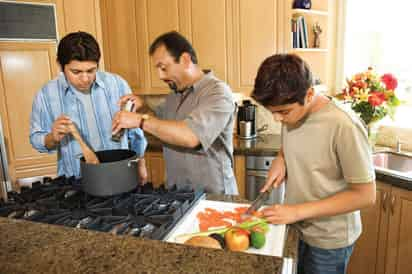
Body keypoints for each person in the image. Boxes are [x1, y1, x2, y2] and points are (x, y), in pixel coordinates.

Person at [251, 54, 376, 274]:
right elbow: (295, 140)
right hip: (295, 228)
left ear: (309, 94)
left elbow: (365, 195)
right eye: (272, 113)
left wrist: (297, 211)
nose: (277, 120)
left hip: (328, 241)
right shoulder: (292, 112)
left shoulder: (344, 125)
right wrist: (282, 159)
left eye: (283, 112)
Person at [111, 31, 238, 194]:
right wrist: (143, 109)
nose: (160, 76)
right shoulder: (174, 96)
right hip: (178, 195)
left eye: (163, 68)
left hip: (214, 197)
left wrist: (140, 121)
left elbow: (191, 136)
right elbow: (162, 126)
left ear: (185, 60)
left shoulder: (217, 92)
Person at [30, 31, 147, 181]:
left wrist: (141, 163)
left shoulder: (117, 84)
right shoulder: (46, 95)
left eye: (91, 70)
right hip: (75, 181)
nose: (85, 79)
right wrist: (52, 137)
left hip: (120, 176)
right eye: (76, 72)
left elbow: (134, 132)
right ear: (60, 65)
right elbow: (36, 139)